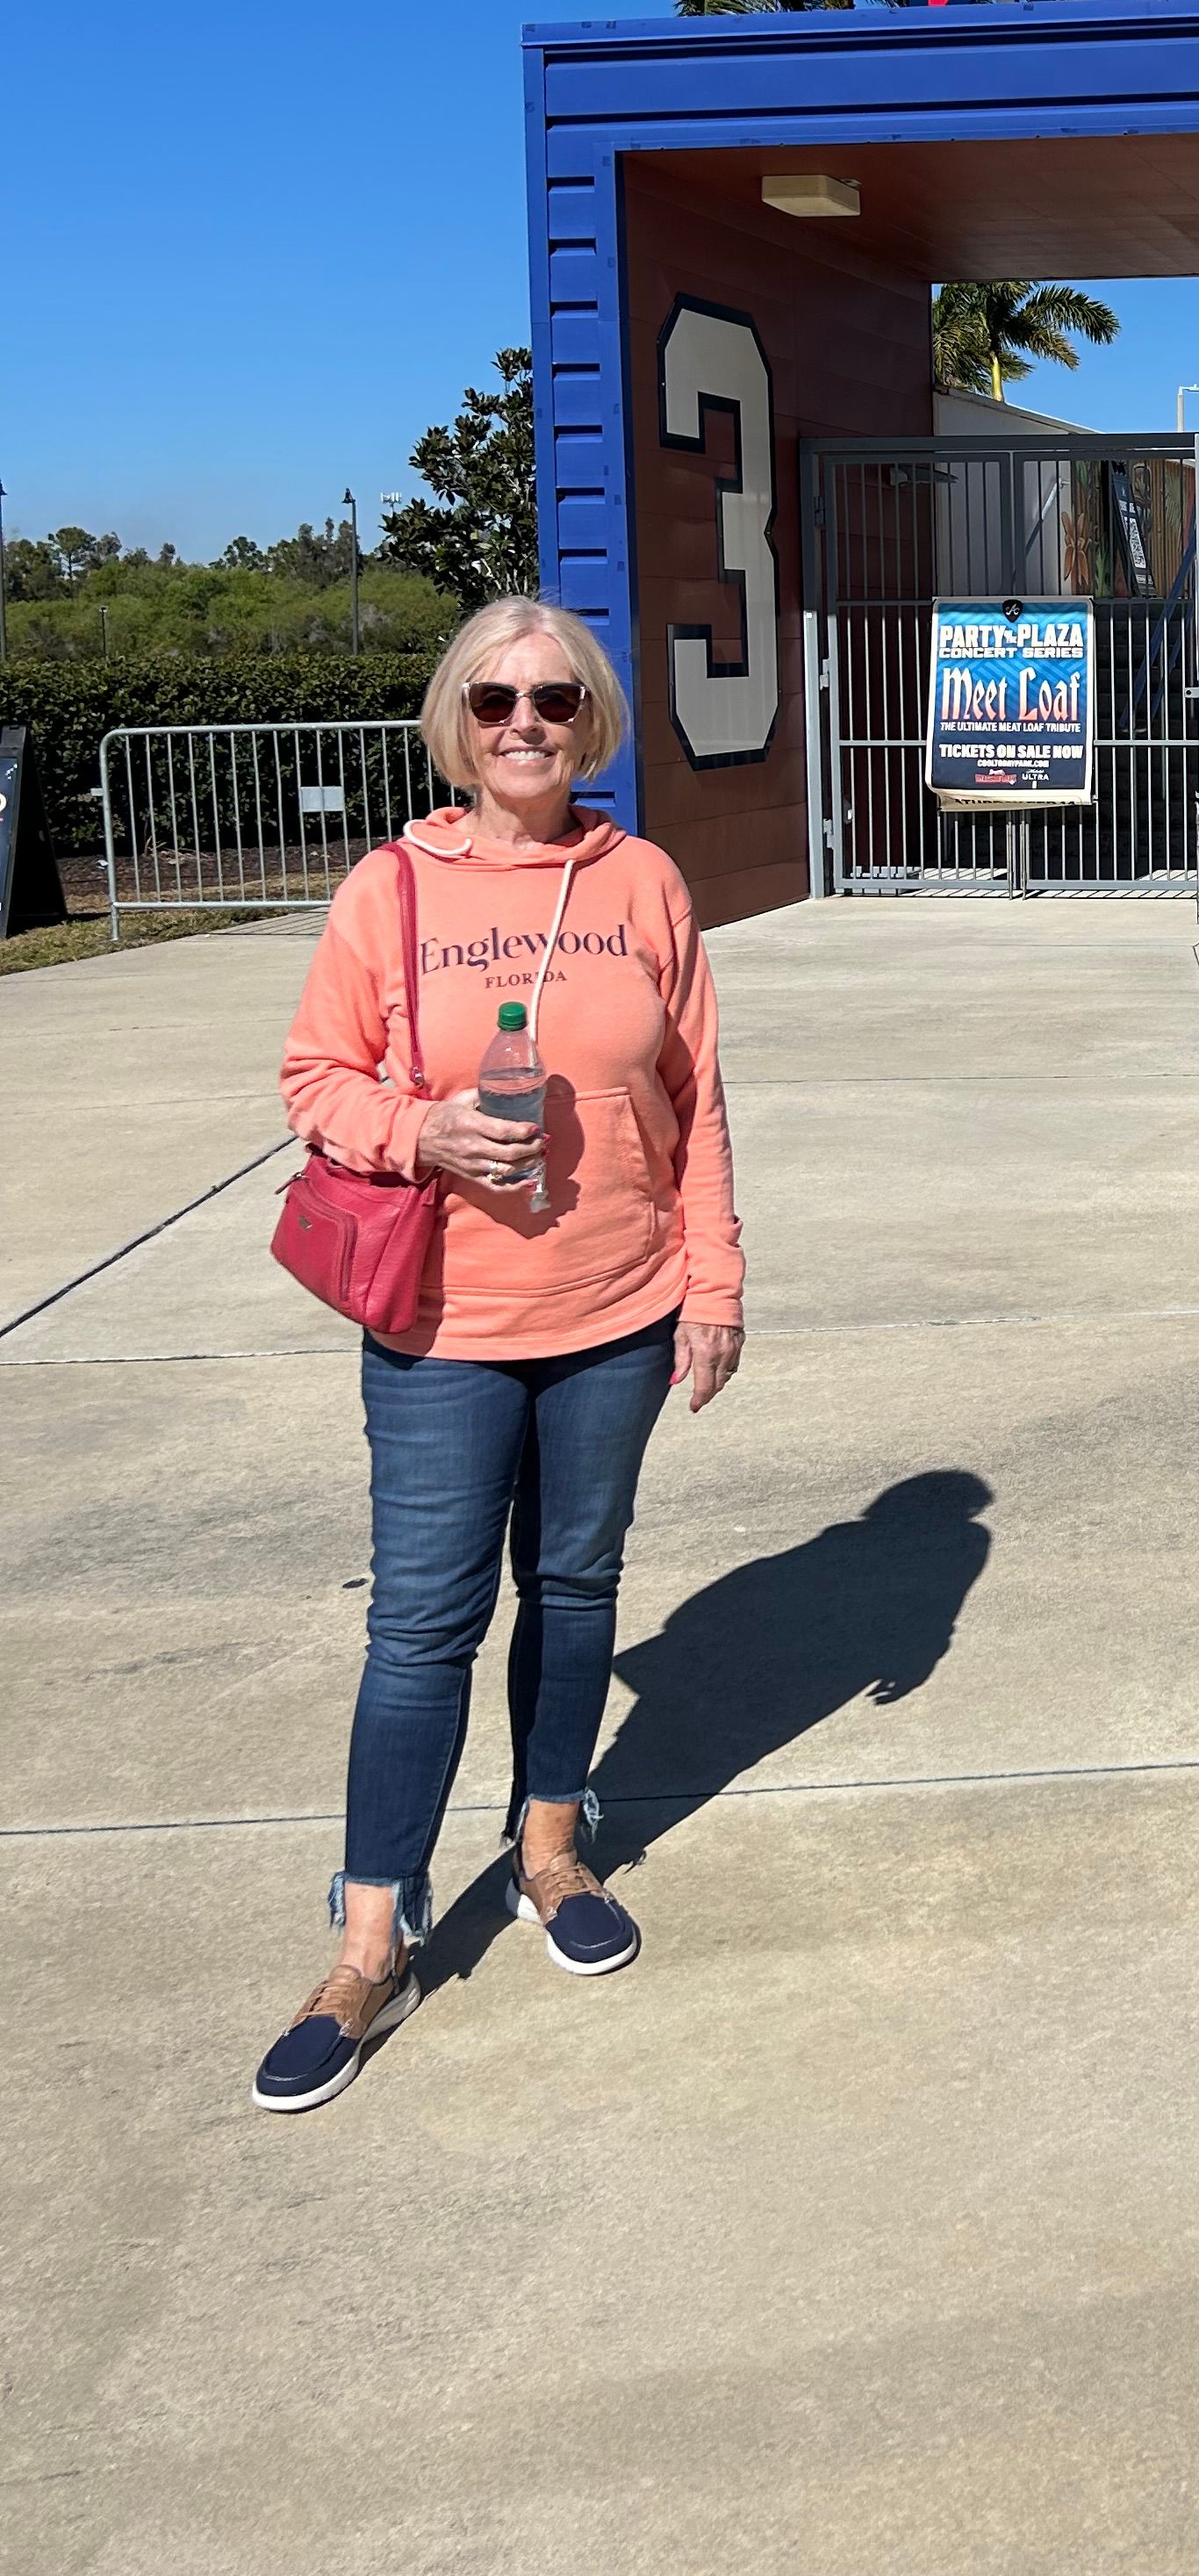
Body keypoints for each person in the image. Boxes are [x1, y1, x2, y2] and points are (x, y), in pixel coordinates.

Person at [253, 598, 743, 2112]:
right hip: (443, 1328)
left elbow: (700, 1095)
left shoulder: (643, 880)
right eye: (493, 701)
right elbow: (310, 1078)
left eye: (551, 699)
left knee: (580, 1586)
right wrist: (422, 1129)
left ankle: (548, 1849)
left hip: (620, 1310)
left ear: (589, 717)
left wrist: (713, 1283)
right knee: (419, 1628)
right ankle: (369, 1941)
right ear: (454, 720)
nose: (523, 724)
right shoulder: (391, 888)